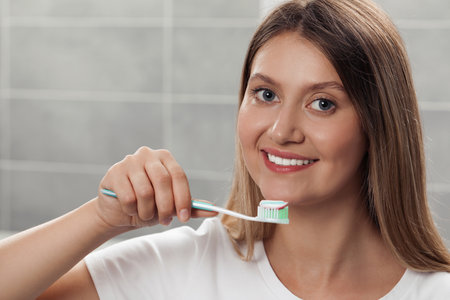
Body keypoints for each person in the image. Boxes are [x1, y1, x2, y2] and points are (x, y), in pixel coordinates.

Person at [1, 0, 450, 299]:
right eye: (266, 95)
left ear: (378, 125)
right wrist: (99, 219)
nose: (280, 130)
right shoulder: (182, 268)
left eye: (322, 103)